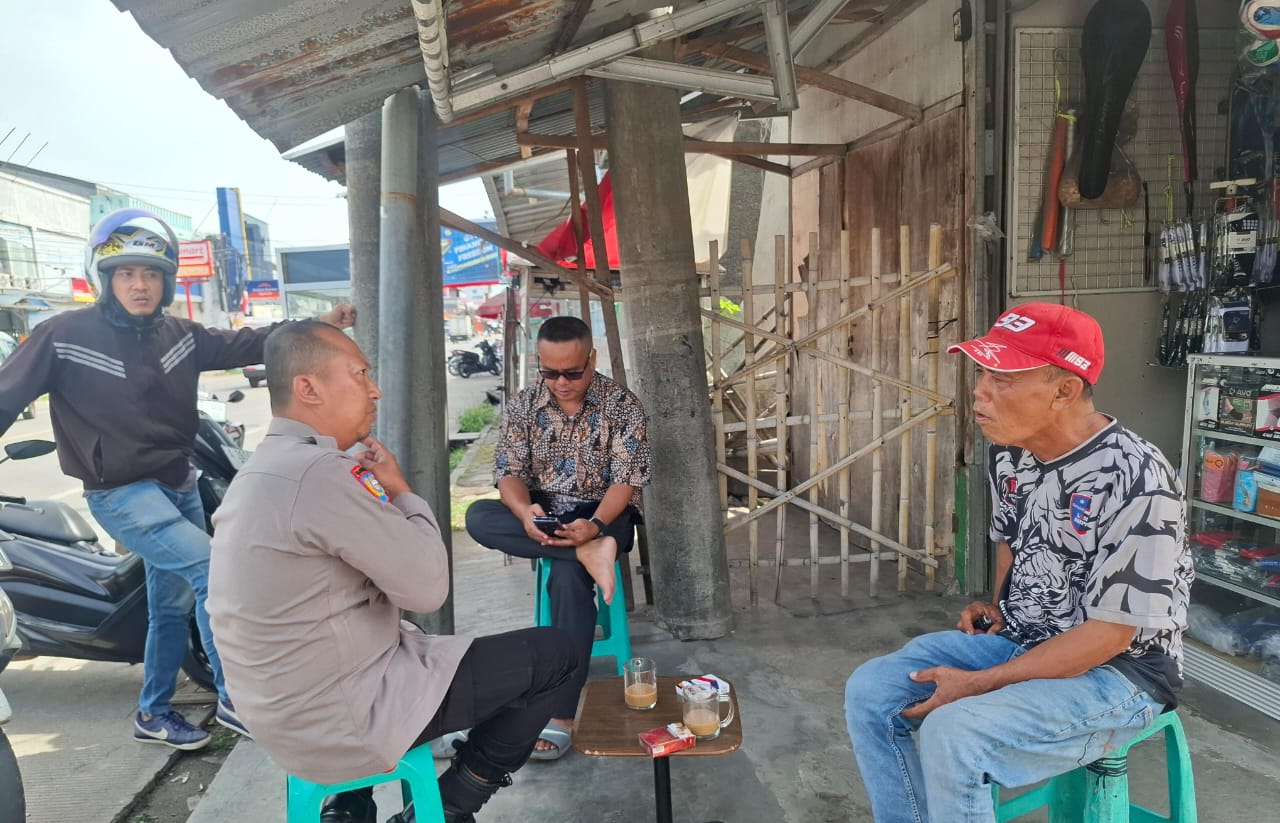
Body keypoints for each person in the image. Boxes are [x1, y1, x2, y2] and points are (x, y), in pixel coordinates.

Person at [0, 208, 354, 751]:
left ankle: (153, 713)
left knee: (171, 607)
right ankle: (237, 699)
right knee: (216, 570)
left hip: (178, 483)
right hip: (120, 493)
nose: (139, 285)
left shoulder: (180, 335)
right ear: (105, 278)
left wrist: (318, 325)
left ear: (166, 282)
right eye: (126, 273)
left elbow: (252, 343)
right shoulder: (63, 335)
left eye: (151, 274)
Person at [207, 320, 581, 823]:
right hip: (342, 717)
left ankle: (348, 803)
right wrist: (402, 491)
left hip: (279, 717)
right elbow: (427, 588)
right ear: (308, 388)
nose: (374, 390)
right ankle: (448, 808)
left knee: (401, 636)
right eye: (359, 374)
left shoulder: (261, 470)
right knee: (555, 655)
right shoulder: (319, 473)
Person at [844, 302, 1193, 823]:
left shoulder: (1137, 477)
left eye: (1002, 379)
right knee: (871, 690)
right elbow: (1012, 537)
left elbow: (1110, 635)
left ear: (1063, 391)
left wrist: (980, 683)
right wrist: (999, 605)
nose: (979, 392)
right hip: (1024, 640)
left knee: (955, 732)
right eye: (982, 374)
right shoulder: (1012, 450)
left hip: (1120, 673)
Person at [465, 315, 650, 759]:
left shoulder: (622, 405)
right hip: (546, 512)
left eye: (572, 372)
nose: (561, 383)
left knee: (566, 582)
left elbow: (626, 482)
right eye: (550, 372)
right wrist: (524, 511)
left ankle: (561, 713)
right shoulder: (525, 404)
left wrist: (597, 527)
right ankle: (586, 553)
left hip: (604, 513)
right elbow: (508, 472)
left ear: (592, 359)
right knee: (479, 517)